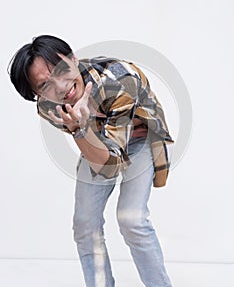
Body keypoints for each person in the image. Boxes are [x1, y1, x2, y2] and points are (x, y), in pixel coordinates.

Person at [8, 34, 175, 287]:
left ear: (72, 58)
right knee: (85, 224)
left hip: (139, 137)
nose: (62, 87)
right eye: (44, 86)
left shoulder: (120, 80)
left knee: (131, 219)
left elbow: (113, 164)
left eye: (61, 70)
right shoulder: (48, 107)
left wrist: (82, 130)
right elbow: (100, 161)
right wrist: (79, 129)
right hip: (94, 140)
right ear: (36, 94)